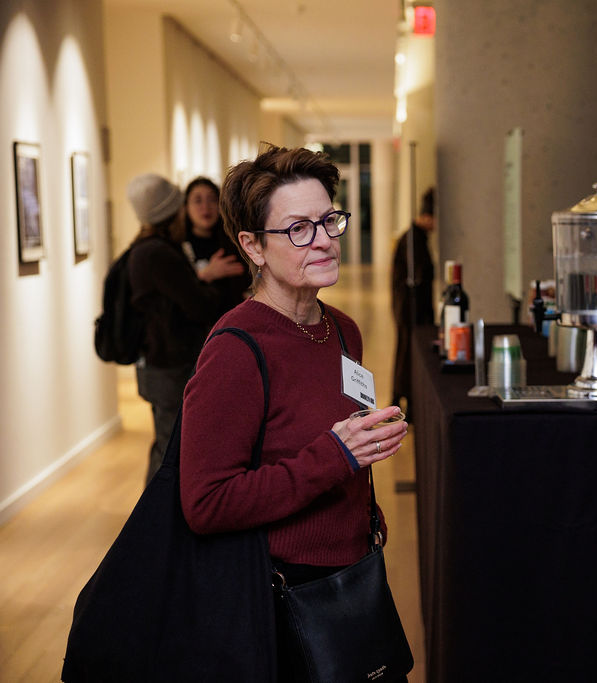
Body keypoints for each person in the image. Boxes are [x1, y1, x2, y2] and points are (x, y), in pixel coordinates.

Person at [178, 145, 408, 680]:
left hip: (354, 574)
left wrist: (361, 510)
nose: (325, 238)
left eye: (329, 219)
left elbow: (340, 443)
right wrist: (336, 456)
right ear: (253, 246)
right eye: (299, 228)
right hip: (283, 598)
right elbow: (206, 503)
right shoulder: (236, 348)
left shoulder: (342, 328)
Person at [125, 173, 243, 483]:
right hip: (170, 361)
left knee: (175, 441)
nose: (203, 208)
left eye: (211, 200)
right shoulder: (159, 252)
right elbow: (197, 304)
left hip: (188, 357)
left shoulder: (154, 249)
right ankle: (154, 524)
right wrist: (205, 277)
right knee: (170, 446)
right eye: (192, 201)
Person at [390, 187, 435, 416]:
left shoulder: (415, 237)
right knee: (408, 353)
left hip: (408, 306)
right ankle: (403, 400)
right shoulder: (413, 240)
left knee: (405, 352)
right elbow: (417, 276)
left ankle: (399, 398)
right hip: (410, 308)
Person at [181, 176, 250, 316]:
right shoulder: (179, 246)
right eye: (198, 200)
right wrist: (206, 274)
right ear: (186, 207)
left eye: (212, 200)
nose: (205, 207)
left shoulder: (234, 241)